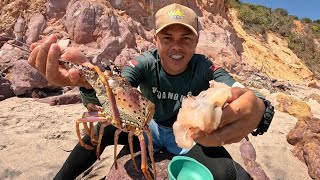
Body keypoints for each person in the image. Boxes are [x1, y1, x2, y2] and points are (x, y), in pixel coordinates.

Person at [28, 3, 274, 180]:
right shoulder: (144, 62)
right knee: (99, 130)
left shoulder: (206, 67)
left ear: (196, 42)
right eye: (167, 38)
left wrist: (259, 108)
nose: (175, 46)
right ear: (156, 40)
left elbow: (238, 90)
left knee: (228, 172)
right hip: (147, 129)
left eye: (185, 38)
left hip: (189, 137)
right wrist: (88, 83)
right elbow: (118, 86)